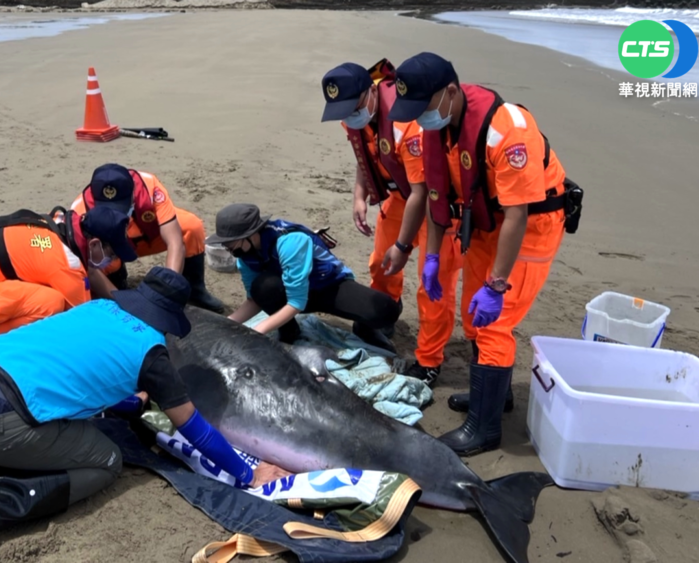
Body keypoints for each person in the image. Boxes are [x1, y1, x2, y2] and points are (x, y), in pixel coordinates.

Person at [0, 267, 292, 562]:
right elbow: (196, 430)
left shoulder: (96, 308)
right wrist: (248, 472)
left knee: (59, 421)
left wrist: (124, 402)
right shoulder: (153, 355)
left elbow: (79, 368)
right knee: (105, 462)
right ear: (171, 319)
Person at [388, 52, 582, 456]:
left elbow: (518, 213)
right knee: (474, 318)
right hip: (485, 224)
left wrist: (497, 284)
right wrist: (432, 257)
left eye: (422, 108)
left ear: (451, 93)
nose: (419, 118)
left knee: (495, 321)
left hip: (529, 227)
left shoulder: (508, 131)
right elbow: (439, 200)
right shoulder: (436, 131)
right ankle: (496, 396)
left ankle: (485, 428)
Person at [321, 58, 464, 388]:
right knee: (381, 264)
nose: (347, 116)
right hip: (400, 197)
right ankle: (384, 314)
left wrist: (403, 245)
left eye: (352, 107)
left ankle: (429, 361)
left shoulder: (408, 127)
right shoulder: (354, 116)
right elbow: (363, 155)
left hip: (435, 205)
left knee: (433, 285)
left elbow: (423, 191)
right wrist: (359, 195)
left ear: (371, 92)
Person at [208, 203, 402, 351]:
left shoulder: (289, 242)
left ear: (250, 234)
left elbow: (296, 303)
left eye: (230, 243)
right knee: (262, 287)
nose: (228, 248)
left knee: (384, 311)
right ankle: (288, 330)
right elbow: (253, 299)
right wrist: (227, 323)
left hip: (328, 287)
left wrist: (258, 331)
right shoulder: (245, 255)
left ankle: (365, 328)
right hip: (288, 289)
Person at [0, 205, 136, 342]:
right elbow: (87, 321)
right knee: (52, 304)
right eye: (112, 253)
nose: (113, 260)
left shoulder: (58, 225)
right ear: (94, 244)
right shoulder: (67, 264)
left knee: (51, 293)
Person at [69, 163, 225, 313]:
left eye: (120, 209)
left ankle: (194, 290)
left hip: (144, 235)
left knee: (191, 227)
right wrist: (121, 301)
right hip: (110, 248)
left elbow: (174, 240)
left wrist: (168, 288)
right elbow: (90, 268)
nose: (117, 217)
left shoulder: (149, 186)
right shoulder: (80, 211)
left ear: (133, 193)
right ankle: (118, 282)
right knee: (107, 281)